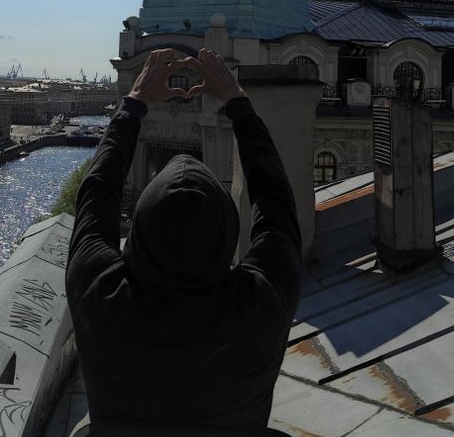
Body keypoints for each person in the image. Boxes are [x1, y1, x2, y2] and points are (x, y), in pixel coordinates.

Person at [67, 48, 302, 436]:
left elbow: (98, 189)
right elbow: (274, 197)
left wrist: (135, 103)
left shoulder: (100, 293)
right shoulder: (261, 303)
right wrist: (237, 100)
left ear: (140, 230)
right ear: (227, 232)